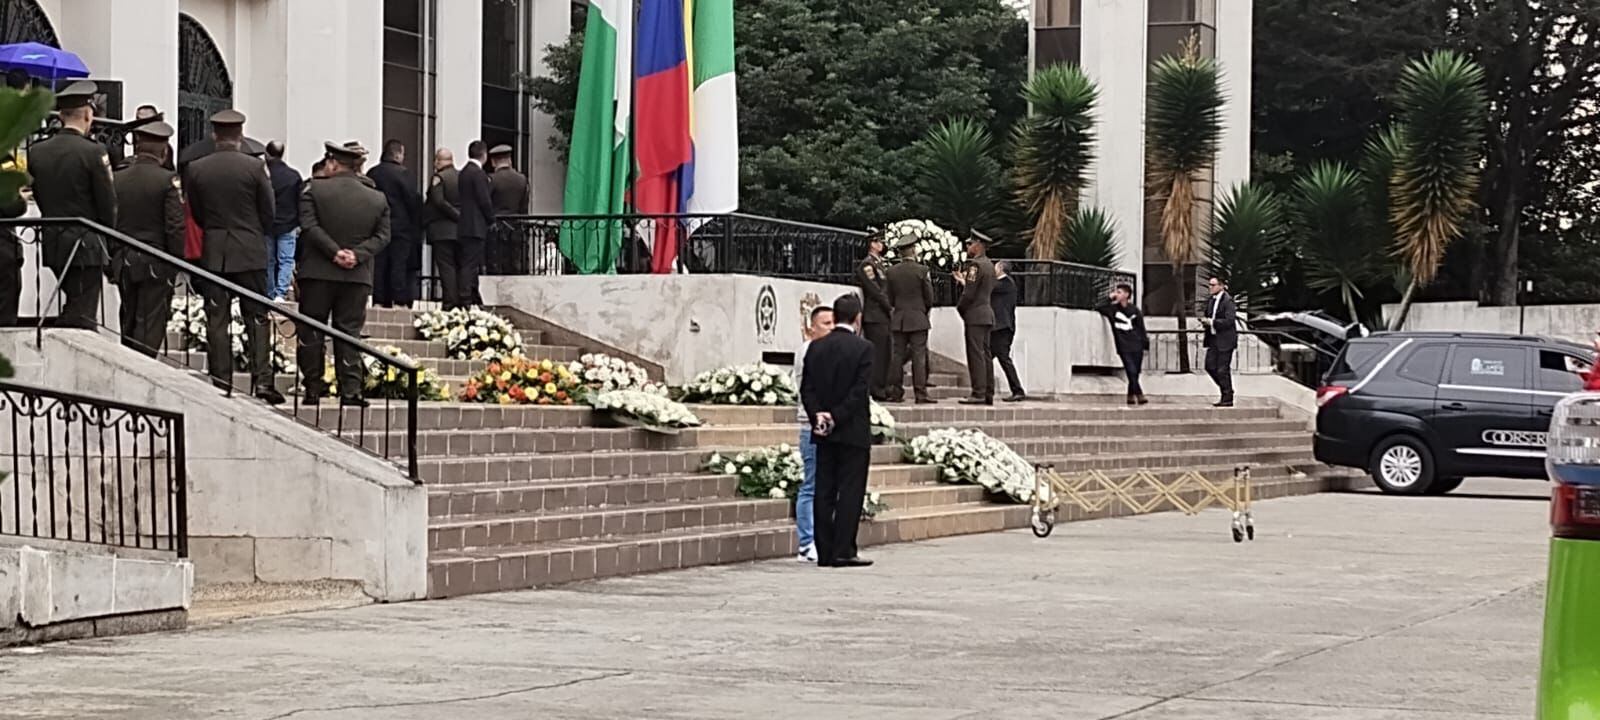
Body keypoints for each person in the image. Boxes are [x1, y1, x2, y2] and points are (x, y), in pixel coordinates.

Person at [182, 108, 281, 404]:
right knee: (257, 317)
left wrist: (216, 230)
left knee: (217, 317)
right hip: (249, 249)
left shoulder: (196, 168)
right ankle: (262, 381)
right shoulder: (255, 168)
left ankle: (220, 379)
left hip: (215, 250)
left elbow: (196, 212)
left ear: (214, 135)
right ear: (240, 136)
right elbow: (269, 211)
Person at [297, 141, 390, 407]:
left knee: (312, 329)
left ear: (334, 163)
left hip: (318, 273)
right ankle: (351, 390)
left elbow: (309, 226)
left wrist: (334, 252)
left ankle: (312, 388)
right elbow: (383, 236)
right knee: (349, 332)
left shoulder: (313, 189)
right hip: (356, 275)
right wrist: (356, 255)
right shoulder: (377, 197)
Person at [29, 81, 115, 330]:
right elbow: (107, 203)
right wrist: (109, 238)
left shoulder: (37, 151)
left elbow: (39, 194)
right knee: (83, 311)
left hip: (54, 239)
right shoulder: (93, 152)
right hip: (87, 242)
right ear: (88, 115)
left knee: (76, 301)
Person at [800, 293, 875, 568]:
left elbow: (806, 389)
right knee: (850, 490)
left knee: (824, 489)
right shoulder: (863, 348)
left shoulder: (815, 348)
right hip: (852, 430)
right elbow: (859, 391)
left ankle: (825, 550)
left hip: (822, 430)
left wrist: (819, 416)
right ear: (857, 318)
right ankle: (844, 549)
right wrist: (837, 416)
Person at [110, 121, 184, 357]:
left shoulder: (116, 178)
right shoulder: (167, 180)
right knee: (150, 321)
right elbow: (174, 226)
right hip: (156, 260)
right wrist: (177, 260)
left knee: (128, 316)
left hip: (124, 258)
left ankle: (128, 362)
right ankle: (143, 366)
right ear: (163, 152)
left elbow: (109, 217)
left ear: (137, 147)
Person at [792, 304, 834, 564]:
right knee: (811, 485)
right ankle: (806, 543)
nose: (830, 328)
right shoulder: (809, 351)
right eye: (825, 324)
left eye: (833, 323)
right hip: (811, 426)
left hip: (827, 426)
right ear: (811, 327)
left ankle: (820, 538)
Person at [366, 139, 423, 308]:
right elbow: (413, 201)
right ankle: (398, 299)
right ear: (397, 154)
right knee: (399, 263)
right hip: (401, 227)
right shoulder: (404, 174)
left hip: (377, 225)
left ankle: (379, 299)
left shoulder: (373, 173)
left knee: (380, 263)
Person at [884, 233, 935, 404]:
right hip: (918, 318)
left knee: (897, 356)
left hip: (899, 318)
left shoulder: (891, 272)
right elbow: (929, 297)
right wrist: (922, 310)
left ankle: (895, 392)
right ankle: (920, 394)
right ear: (913, 250)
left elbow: (889, 297)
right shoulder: (922, 270)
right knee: (918, 356)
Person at [453, 140, 494, 309]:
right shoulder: (478, 174)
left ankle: (473, 295)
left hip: (464, 225)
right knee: (470, 264)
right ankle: (466, 298)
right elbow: (484, 200)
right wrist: (491, 218)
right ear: (484, 155)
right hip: (476, 226)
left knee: (469, 262)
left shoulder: (463, 172)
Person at [956, 235, 996, 405]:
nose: (967, 246)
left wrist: (960, 307)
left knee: (976, 354)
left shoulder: (976, 266)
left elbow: (969, 293)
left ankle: (978, 392)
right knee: (985, 354)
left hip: (975, 315)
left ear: (979, 245)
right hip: (986, 313)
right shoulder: (989, 265)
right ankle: (988, 391)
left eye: (970, 243)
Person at [853, 230, 892, 400]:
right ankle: (875, 388)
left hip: (883, 315)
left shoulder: (880, 264)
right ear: (872, 244)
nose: (881, 244)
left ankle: (882, 386)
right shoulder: (867, 265)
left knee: (885, 353)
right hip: (875, 314)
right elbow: (875, 290)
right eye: (878, 241)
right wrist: (889, 307)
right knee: (877, 354)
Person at [1097, 282, 1150, 405]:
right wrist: (1109, 298)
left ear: (1126, 295)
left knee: (1135, 372)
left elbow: (1141, 328)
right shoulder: (1112, 310)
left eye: (1119, 292)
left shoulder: (1135, 310)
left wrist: (1145, 345)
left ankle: (1131, 395)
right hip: (1123, 344)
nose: (1117, 294)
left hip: (1136, 344)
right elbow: (1098, 307)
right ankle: (1140, 394)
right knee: (1130, 370)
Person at [264, 141, 302, 301]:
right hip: (289, 223)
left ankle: (270, 291)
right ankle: (281, 292)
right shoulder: (293, 176)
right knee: (286, 259)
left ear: (267, 154)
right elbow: (299, 200)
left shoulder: (263, 176)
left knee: (269, 260)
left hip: (267, 223)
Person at [424, 149, 461, 304]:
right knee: (459, 266)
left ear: (439, 161)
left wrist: (456, 215)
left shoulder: (439, 178)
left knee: (446, 267)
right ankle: (461, 299)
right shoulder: (461, 177)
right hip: (460, 231)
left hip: (442, 231)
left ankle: (450, 301)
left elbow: (438, 201)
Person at [991, 260, 1026, 402]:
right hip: (998, 327)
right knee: (987, 357)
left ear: (1000, 268)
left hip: (1002, 329)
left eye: (995, 266)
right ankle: (983, 390)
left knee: (1003, 358)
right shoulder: (1003, 284)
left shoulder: (1006, 283)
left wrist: (967, 280)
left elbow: (987, 287)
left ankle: (1018, 390)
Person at [1202, 275, 1238, 408]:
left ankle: (1227, 396)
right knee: (1209, 366)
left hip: (1225, 340)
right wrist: (1206, 322)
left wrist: (1212, 322)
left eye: (1213, 285)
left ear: (1221, 286)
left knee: (1222, 369)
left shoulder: (1228, 301)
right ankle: (1226, 390)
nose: (1210, 288)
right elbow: (1209, 315)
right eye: (1209, 285)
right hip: (1213, 339)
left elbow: (1229, 320)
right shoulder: (1211, 301)